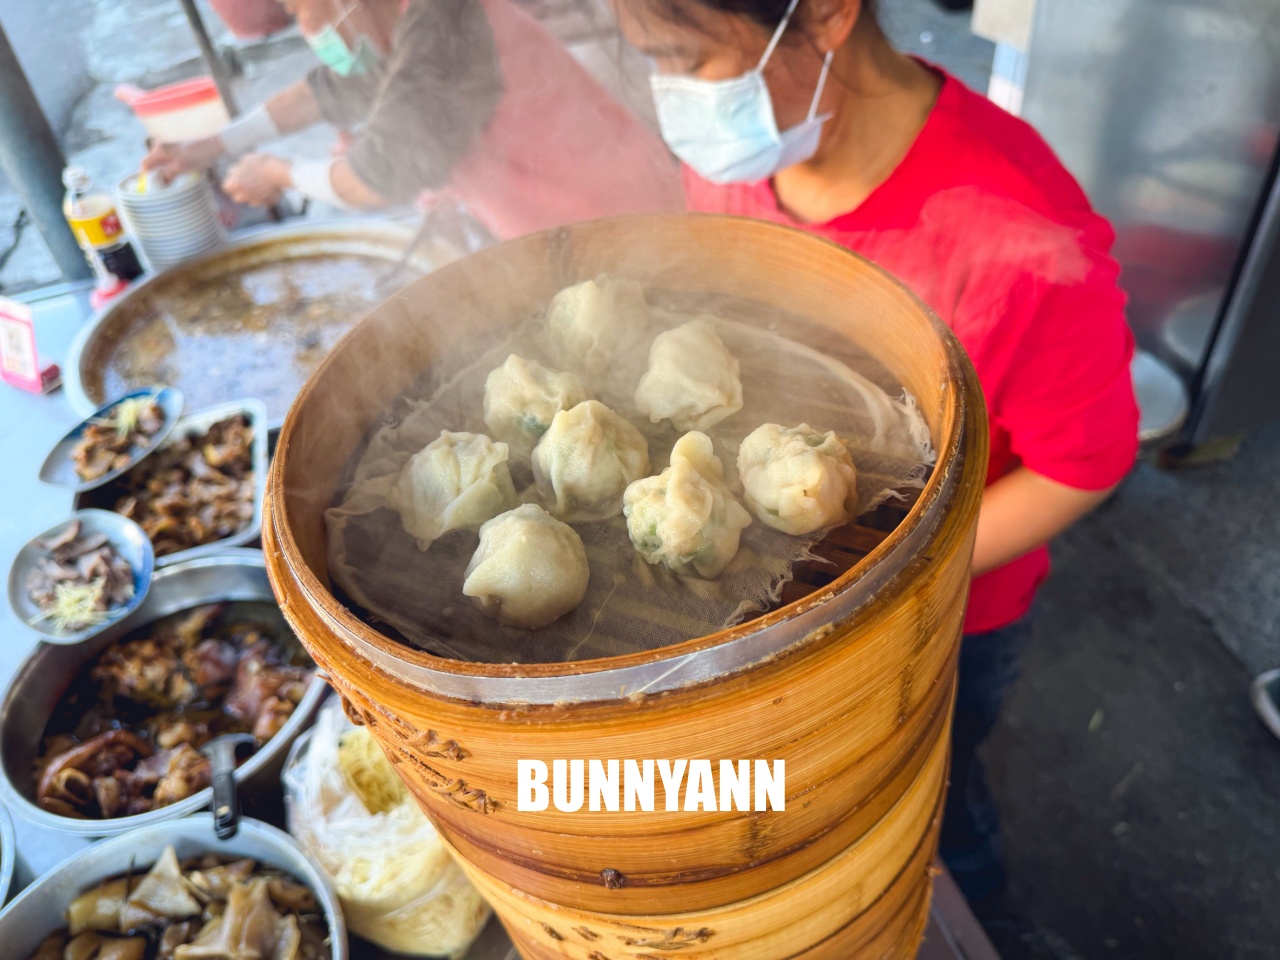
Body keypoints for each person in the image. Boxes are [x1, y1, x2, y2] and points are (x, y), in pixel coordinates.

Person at [611, 0, 1139, 903]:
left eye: (688, 61)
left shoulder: (1025, 238)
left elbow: (1081, 467)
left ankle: (972, 896)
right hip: (769, 621)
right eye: (652, 63)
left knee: (933, 800)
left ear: (823, 14)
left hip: (948, 624)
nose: (673, 97)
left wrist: (884, 583)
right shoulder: (743, 167)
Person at [144, 0, 682, 239]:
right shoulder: (395, 25)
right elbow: (325, 92)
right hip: (561, 223)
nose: (302, 26)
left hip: (611, 223)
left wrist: (282, 174)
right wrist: (207, 148)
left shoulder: (438, 23)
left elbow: (377, 177)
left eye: (294, 8)